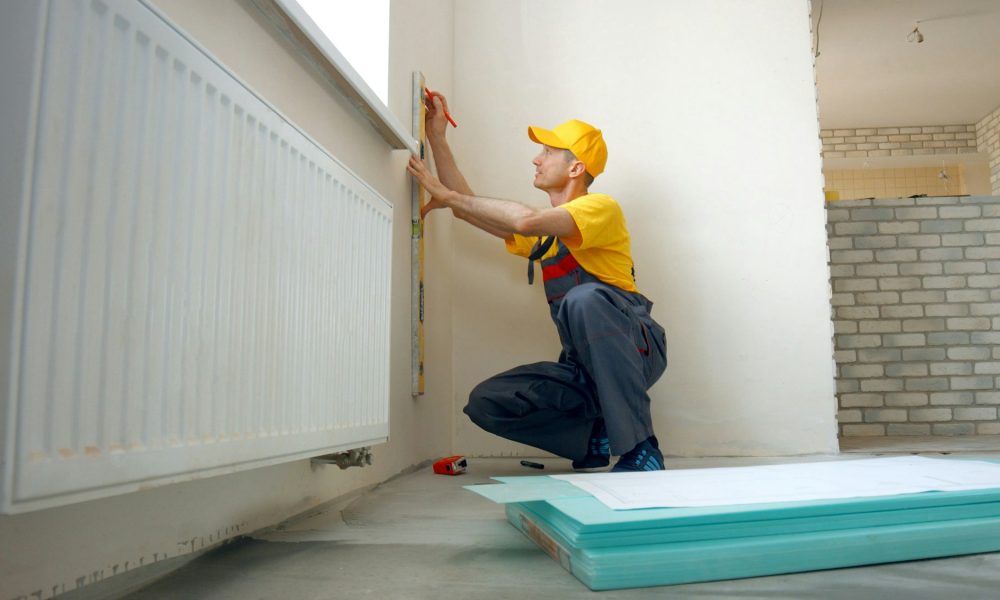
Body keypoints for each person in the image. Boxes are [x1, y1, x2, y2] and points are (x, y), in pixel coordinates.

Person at [406, 92, 668, 472]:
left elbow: (523, 220)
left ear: (576, 168)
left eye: (547, 152)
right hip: (585, 368)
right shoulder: (546, 236)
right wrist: (437, 137)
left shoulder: (600, 208)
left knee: (585, 299)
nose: (536, 158)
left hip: (636, 347)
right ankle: (593, 437)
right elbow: (467, 205)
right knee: (488, 401)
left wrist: (448, 197)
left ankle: (642, 448)